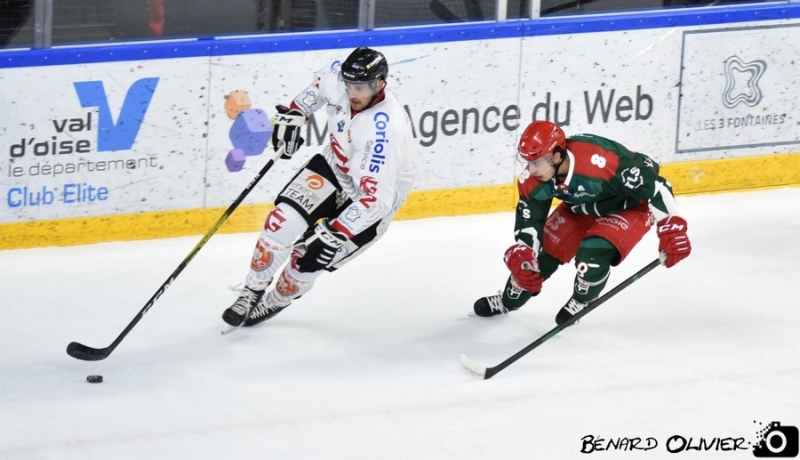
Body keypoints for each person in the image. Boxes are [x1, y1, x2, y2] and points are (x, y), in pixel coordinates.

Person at [222, 46, 418, 328]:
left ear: (379, 84)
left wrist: (336, 230)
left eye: (362, 87)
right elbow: (314, 92)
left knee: (308, 260)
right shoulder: (337, 78)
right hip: (335, 166)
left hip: (372, 200)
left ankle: (276, 299)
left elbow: (375, 201)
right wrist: (295, 114)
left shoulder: (383, 131)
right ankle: (251, 291)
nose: (353, 93)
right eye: (350, 84)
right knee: (280, 222)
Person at [473, 120, 691, 325]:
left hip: (630, 206)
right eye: (527, 162)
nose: (530, 170)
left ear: (557, 156)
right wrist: (524, 253)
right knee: (533, 264)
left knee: (592, 255)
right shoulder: (534, 179)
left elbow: (657, 186)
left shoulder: (601, 162)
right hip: (582, 206)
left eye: (536, 162)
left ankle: (581, 299)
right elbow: (530, 223)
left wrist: (672, 229)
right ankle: (507, 302)